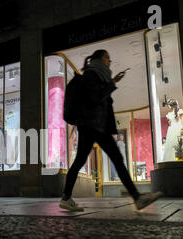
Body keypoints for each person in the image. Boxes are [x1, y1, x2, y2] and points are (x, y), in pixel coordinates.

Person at [60, 49, 163, 212]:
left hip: (92, 125)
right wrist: (112, 84)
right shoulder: (91, 75)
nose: (110, 61)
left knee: (81, 160)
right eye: (108, 57)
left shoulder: (96, 75)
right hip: (94, 125)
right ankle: (137, 197)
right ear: (100, 59)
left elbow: (97, 96)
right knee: (116, 158)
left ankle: (66, 198)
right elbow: (94, 99)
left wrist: (112, 81)